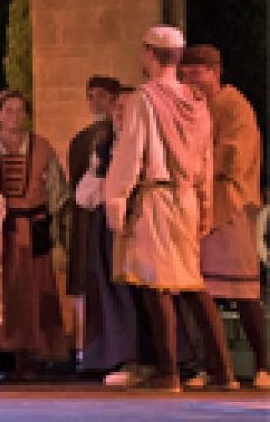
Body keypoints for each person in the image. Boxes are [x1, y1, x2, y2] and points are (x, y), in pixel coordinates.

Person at [99, 26, 236, 391]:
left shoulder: (145, 98)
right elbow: (206, 159)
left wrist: (116, 199)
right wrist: (205, 204)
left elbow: (132, 151)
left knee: (156, 283)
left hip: (157, 197)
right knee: (191, 282)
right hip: (188, 198)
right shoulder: (197, 100)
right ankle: (223, 371)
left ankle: (169, 371)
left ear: (148, 54)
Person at [179, 44, 268, 389]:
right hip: (202, 207)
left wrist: (195, 166)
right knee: (203, 293)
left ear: (214, 71)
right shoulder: (196, 107)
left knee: (243, 291)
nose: (191, 82)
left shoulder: (235, 105)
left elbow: (235, 154)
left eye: (196, 74)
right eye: (185, 76)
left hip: (231, 207)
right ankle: (211, 366)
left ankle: (264, 364)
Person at [0, 89, 69, 373]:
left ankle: (32, 355)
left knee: (34, 290)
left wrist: (57, 238)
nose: (15, 116)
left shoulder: (42, 147)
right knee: (2, 291)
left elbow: (57, 192)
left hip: (34, 229)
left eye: (20, 110)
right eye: (9, 110)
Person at [67, 76, 144, 379]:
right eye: (117, 108)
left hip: (135, 222)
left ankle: (138, 358)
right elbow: (84, 191)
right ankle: (112, 356)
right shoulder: (100, 140)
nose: (118, 112)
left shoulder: (138, 140)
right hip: (105, 222)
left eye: (125, 107)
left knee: (133, 292)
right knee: (109, 292)